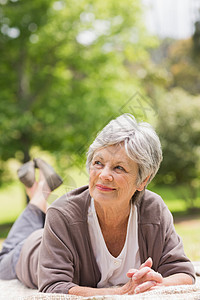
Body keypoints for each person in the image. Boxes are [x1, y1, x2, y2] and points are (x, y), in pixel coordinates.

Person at [0, 114, 195, 296]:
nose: (104, 175)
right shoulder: (61, 214)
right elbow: (53, 287)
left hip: (59, 231)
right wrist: (121, 292)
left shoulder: (154, 211)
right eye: (98, 163)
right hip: (31, 251)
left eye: (119, 168)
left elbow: (183, 273)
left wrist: (156, 284)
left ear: (143, 180)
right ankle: (39, 196)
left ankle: (40, 195)